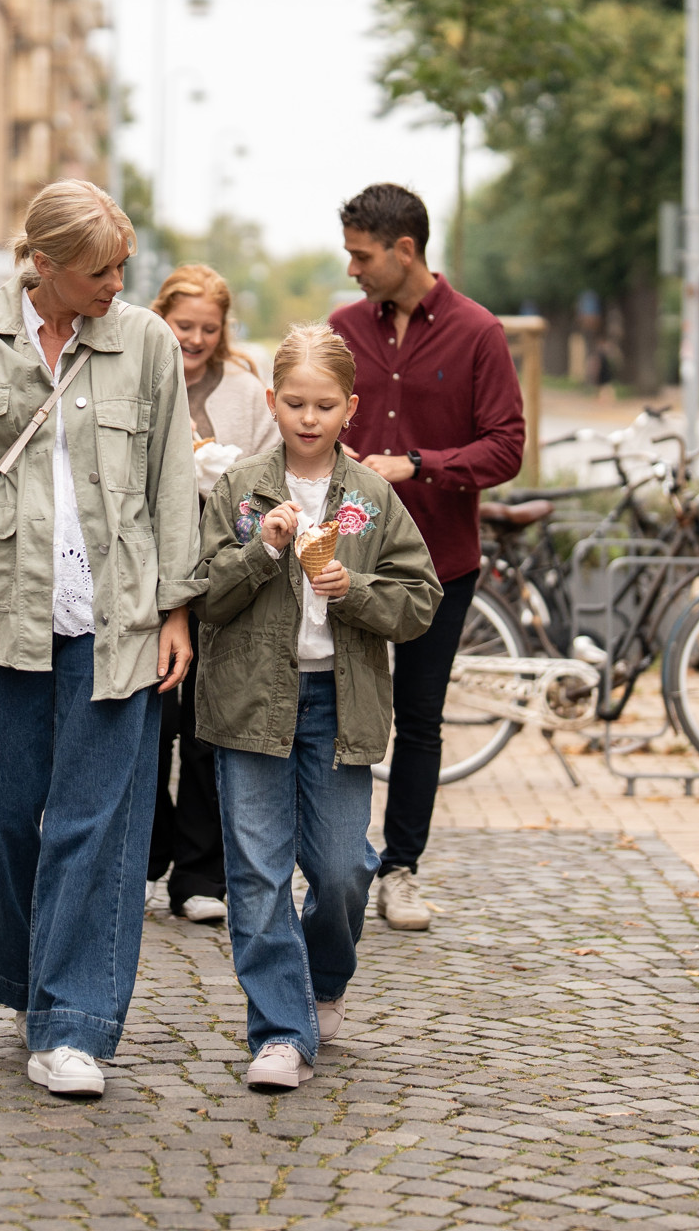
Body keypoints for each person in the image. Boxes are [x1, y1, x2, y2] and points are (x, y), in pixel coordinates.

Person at [0, 179, 202, 1102]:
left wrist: (177, 610)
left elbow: (171, 480)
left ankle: (74, 1023)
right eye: (101, 270)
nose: (118, 283)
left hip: (119, 617)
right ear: (46, 266)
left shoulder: (144, 342)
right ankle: (25, 981)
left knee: (95, 827)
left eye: (122, 267)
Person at [193, 324, 440, 1090]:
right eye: (294, 402)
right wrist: (261, 552)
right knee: (260, 874)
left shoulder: (371, 495)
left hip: (339, 702)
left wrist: (354, 591)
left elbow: (420, 598)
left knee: (339, 870)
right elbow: (201, 592)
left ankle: (323, 980)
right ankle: (279, 1032)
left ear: (350, 409)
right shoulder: (241, 489)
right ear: (272, 402)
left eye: (323, 405)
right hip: (250, 704)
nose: (307, 417)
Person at [327, 183, 525, 932]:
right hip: (348, 556)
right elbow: (310, 406)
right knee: (334, 707)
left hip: (440, 561)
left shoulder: (478, 333)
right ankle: (334, 860)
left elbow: (506, 444)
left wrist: (420, 463)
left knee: (419, 719)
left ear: (404, 250)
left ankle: (400, 870)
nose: (352, 269)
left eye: (361, 254)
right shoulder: (344, 328)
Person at [148, 264, 278, 926]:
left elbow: (269, 480)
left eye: (208, 328)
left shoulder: (247, 392)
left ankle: (201, 874)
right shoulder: (139, 372)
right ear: (162, 317)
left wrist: (221, 471)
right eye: (184, 325)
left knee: (205, 729)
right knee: (150, 722)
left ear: (223, 332)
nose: (195, 338)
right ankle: (151, 844)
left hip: (222, 579)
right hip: (150, 576)